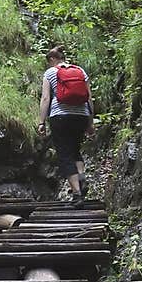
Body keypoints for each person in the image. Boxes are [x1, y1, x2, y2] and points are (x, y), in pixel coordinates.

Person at [38, 46, 93, 205]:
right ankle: (81, 177)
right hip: (81, 116)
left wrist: (42, 122)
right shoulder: (80, 71)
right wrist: (90, 122)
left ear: (52, 60)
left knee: (65, 154)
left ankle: (77, 194)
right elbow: (89, 98)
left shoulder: (50, 73)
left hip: (60, 117)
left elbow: (46, 99)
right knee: (75, 150)